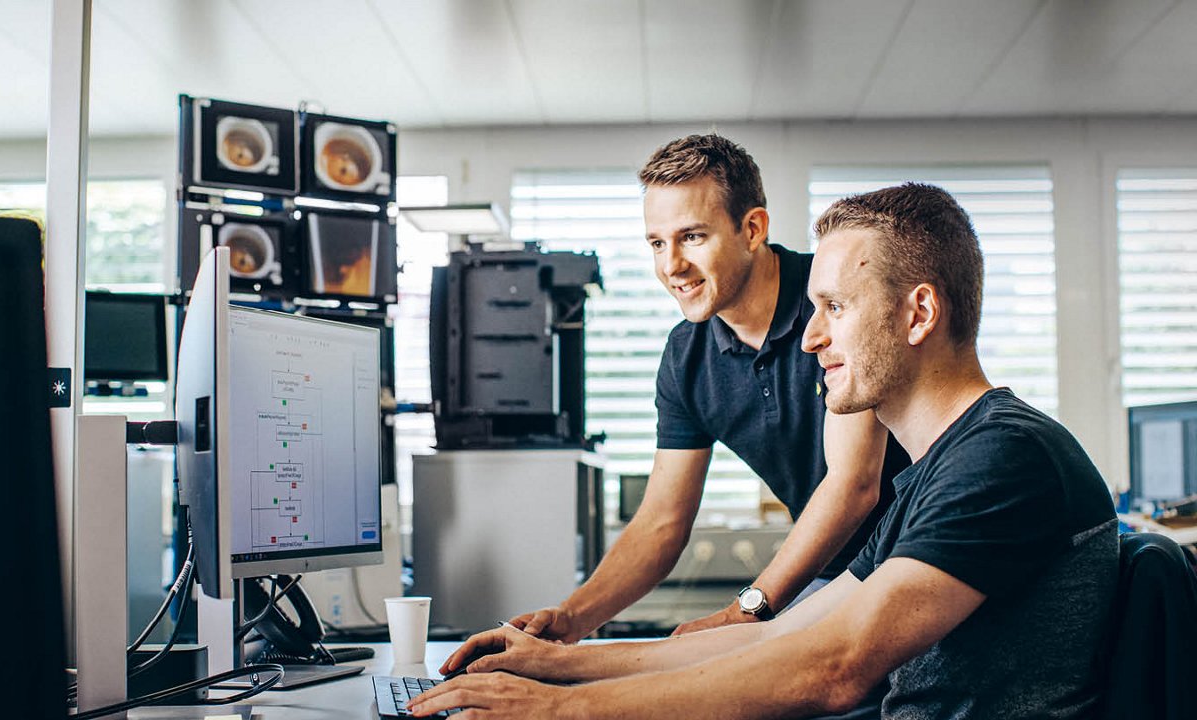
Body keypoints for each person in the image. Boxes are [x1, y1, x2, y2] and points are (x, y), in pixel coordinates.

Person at [409, 183, 1119, 719]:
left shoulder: (1003, 458)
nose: (809, 339)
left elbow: (836, 666)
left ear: (919, 314)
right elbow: (773, 638)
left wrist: (562, 708)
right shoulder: (935, 474)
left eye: (835, 309)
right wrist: (559, 664)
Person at [509, 134, 911, 647]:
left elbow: (853, 484)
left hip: (912, 559)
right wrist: (570, 620)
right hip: (832, 577)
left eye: (692, 237)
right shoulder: (687, 358)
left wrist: (749, 609)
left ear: (752, 229)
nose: (671, 265)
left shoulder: (831, 298)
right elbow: (661, 522)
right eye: (657, 243)